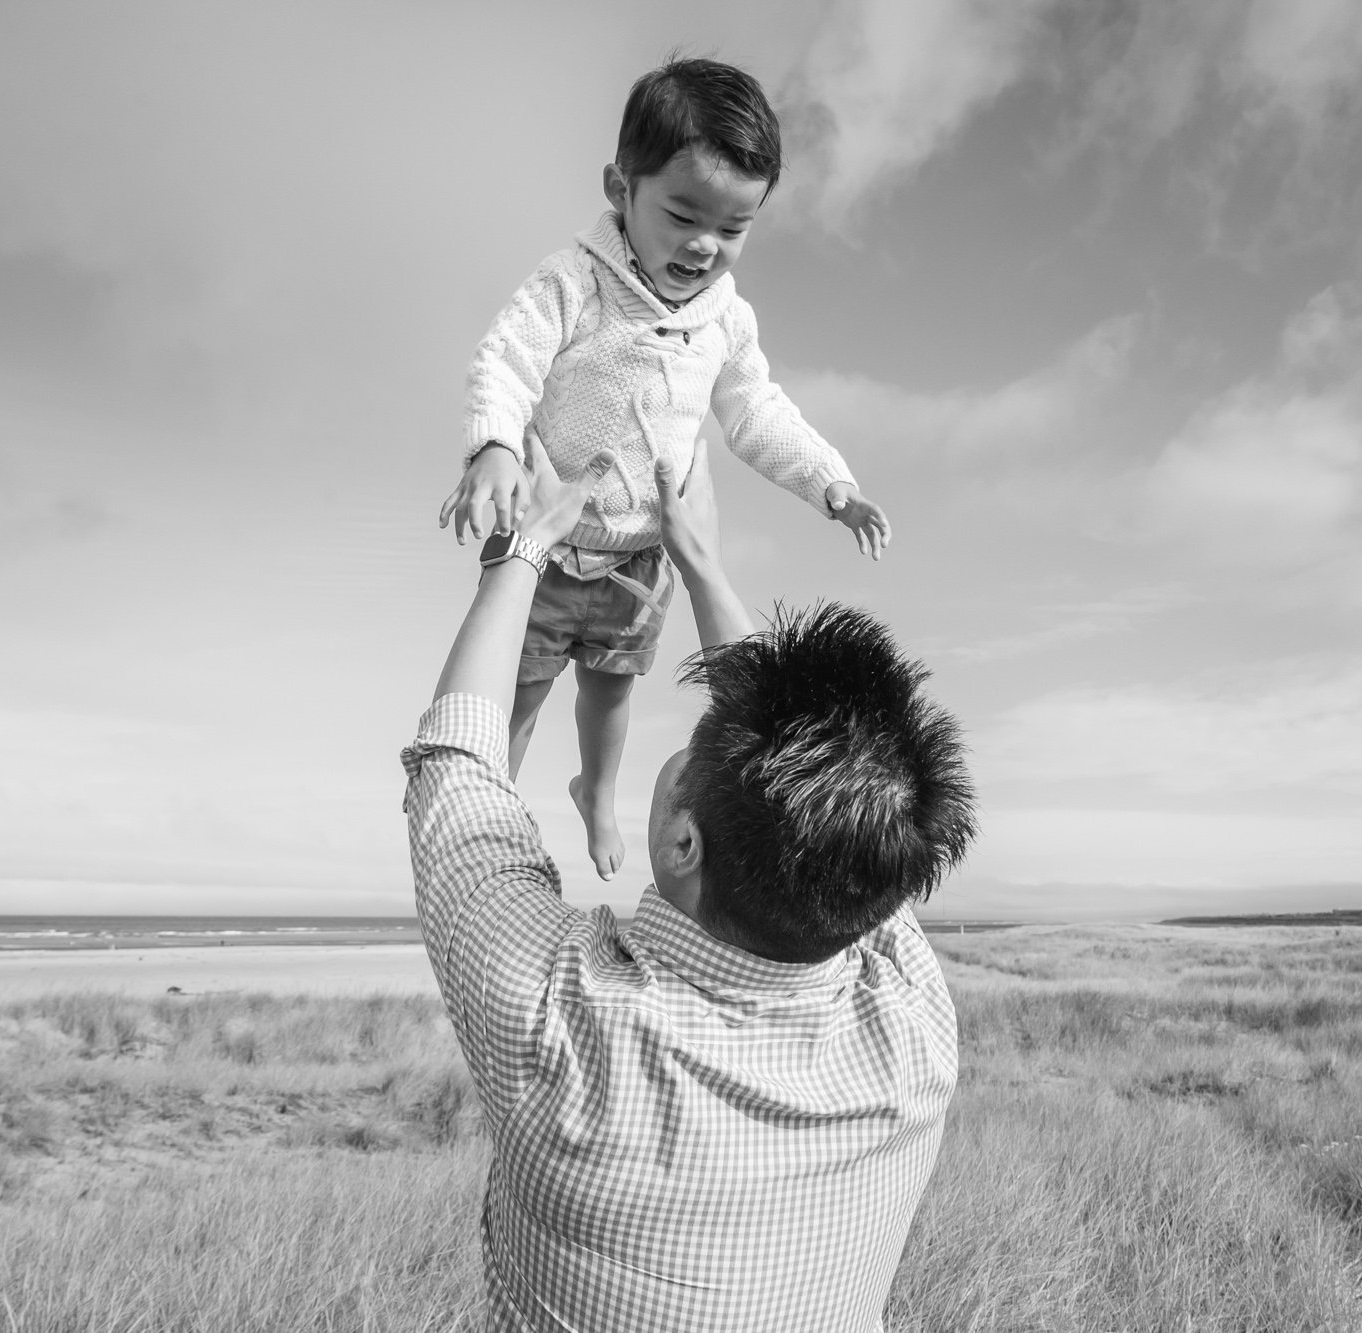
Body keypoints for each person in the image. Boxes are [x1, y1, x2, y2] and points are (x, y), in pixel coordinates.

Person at [403, 436, 977, 1331]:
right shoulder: (915, 1028)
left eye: (688, 759)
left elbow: (457, 773)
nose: (681, 752)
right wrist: (699, 560)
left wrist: (524, 550)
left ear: (679, 842)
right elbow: (845, 810)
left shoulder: (563, 1037)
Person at [437, 57, 891, 882]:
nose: (704, 245)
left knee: (609, 697)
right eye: (683, 214)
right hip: (546, 544)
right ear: (620, 188)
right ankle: (476, 801)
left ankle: (596, 794)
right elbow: (507, 361)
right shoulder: (574, 282)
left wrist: (832, 483)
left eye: (734, 226)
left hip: (641, 559)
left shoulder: (727, 319)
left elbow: (756, 412)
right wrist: (496, 445)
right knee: (522, 695)